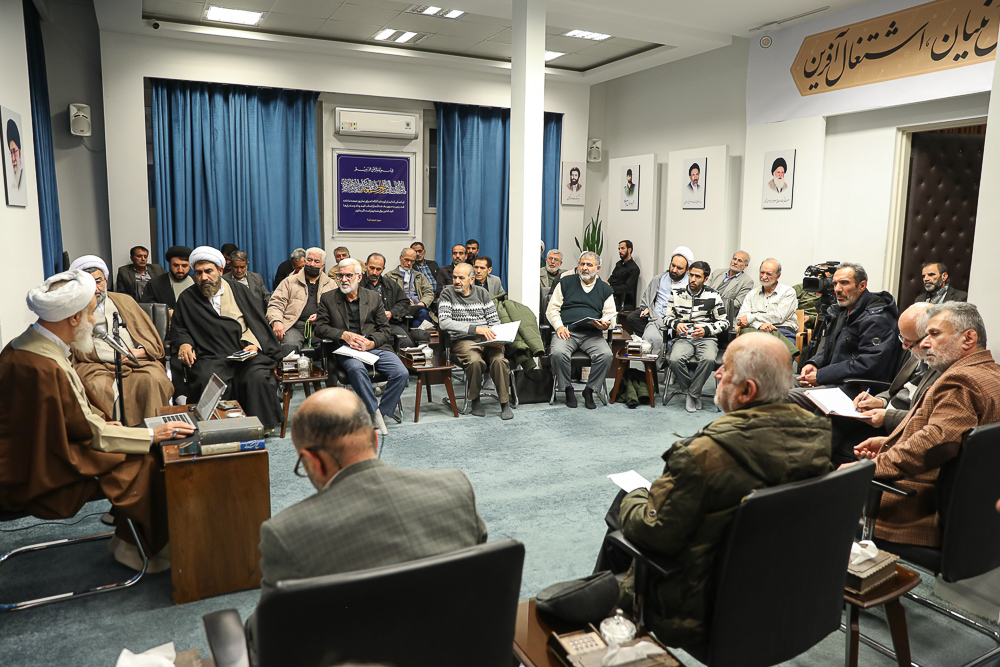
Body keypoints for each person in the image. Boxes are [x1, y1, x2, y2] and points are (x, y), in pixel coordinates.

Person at [603, 334, 832, 651]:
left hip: (700, 607)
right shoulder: (817, 435)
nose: (716, 373)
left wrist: (637, 495)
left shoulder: (702, 455)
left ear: (747, 391)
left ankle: (607, 618)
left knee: (624, 506)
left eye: (725, 368)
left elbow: (654, 533)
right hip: (782, 596)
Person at [248, 387, 487, 657]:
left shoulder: (286, 533)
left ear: (313, 462)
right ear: (374, 438)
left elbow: (266, 638)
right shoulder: (455, 488)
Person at [0, 270, 195, 573]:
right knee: (147, 461)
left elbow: (71, 418)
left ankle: (127, 539)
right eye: (91, 313)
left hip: (38, 452)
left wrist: (113, 427)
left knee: (138, 447)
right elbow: (90, 434)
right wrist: (151, 435)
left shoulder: (25, 344)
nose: (94, 321)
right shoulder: (44, 366)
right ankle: (134, 546)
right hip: (40, 467)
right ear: (73, 318)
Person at [849, 302, 1000, 548]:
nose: (926, 343)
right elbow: (956, 440)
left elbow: (934, 444)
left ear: (969, 338)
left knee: (819, 509)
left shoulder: (960, 380)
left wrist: (870, 468)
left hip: (915, 513)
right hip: (975, 518)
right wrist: (890, 442)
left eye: (935, 334)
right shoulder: (992, 374)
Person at [171, 246, 284, 431]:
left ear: (221, 271)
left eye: (208, 271)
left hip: (244, 353)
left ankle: (260, 426)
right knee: (206, 378)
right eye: (198, 273)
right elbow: (179, 328)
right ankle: (216, 428)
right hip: (211, 354)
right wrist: (184, 343)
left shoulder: (239, 290)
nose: (204, 277)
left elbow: (256, 323)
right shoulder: (187, 298)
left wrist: (253, 344)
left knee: (256, 377)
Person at [69, 256, 173, 426]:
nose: (96, 288)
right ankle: (113, 435)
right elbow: (75, 348)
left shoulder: (125, 301)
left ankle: (154, 432)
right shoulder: (74, 309)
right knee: (97, 386)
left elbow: (149, 338)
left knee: (154, 379)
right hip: (95, 365)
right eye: (89, 283)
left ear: (106, 281)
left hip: (135, 362)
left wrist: (140, 351)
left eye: (98, 281)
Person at [829, 303, 937, 464]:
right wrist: (880, 401)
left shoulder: (944, 366)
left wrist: (887, 417)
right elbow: (898, 388)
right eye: (902, 338)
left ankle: (815, 473)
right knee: (829, 415)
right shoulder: (919, 353)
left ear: (928, 337)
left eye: (908, 341)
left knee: (833, 426)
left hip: (900, 426)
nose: (904, 346)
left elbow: (928, 419)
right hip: (886, 411)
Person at [313, 259, 408, 436]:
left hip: (374, 347)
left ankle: (380, 413)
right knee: (356, 369)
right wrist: (343, 334)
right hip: (347, 350)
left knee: (401, 373)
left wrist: (372, 342)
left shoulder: (373, 297)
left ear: (359, 277)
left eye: (349, 275)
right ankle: (374, 412)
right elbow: (319, 328)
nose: (344, 279)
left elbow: (385, 329)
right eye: (341, 275)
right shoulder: (328, 298)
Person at [793, 263, 902, 401]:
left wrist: (821, 376)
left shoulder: (877, 319)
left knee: (785, 396)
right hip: (835, 380)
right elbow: (830, 347)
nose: (837, 289)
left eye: (844, 283)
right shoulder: (844, 311)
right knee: (778, 384)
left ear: (862, 286)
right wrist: (814, 364)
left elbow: (867, 365)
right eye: (835, 284)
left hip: (855, 390)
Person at [438, 263, 513, 420]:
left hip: (487, 338)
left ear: (471, 279)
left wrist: (498, 337)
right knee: (475, 361)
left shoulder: (482, 293)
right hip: (463, 340)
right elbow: (444, 322)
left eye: (461, 278)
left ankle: (504, 402)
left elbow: (494, 320)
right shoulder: (447, 293)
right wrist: (475, 329)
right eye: (454, 277)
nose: (456, 281)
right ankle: (475, 399)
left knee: (499, 360)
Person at [546, 251, 615, 409]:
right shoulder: (565, 282)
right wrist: (559, 326)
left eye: (589, 265)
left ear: (598, 268)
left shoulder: (605, 289)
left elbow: (611, 316)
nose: (585, 268)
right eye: (582, 264)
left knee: (606, 355)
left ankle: (589, 390)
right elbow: (552, 310)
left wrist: (605, 324)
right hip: (567, 332)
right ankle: (568, 389)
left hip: (592, 334)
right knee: (557, 353)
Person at [664, 261, 727, 412]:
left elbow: (724, 322)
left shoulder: (713, 295)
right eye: (691, 275)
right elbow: (667, 317)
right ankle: (692, 392)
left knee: (709, 359)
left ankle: (692, 393)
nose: (693, 279)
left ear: (705, 279)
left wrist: (706, 330)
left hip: (706, 337)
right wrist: (676, 324)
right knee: (675, 360)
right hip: (683, 337)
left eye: (697, 276)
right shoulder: (676, 293)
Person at [267, 247, 336, 357]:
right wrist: (276, 321)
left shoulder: (331, 284)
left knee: (328, 346)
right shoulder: (289, 281)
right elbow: (275, 304)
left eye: (316, 261)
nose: (312, 264)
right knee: (290, 345)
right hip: (293, 325)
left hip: (319, 326)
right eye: (309, 260)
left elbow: (336, 310)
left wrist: (321, 316)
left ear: (323, 266)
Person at [626, 246, 694, 354]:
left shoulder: (691, 285)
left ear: (687, 269)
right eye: (673, 265)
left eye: (679, 268)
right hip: (656, 319)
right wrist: (648, 308)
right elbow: (647, 298)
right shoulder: (659, 279)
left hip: (677, 322)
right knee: (650, 338)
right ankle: (653, 365)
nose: (674, 270)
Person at [734, 258, 799, 357]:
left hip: (782, 331)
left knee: (775, 356)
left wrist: (752, 317)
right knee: (748, 354)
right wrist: (759, 325)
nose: (764, 277)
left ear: (778, 276)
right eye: (762, 272)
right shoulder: (752, 294)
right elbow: (741, 318)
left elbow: (779, 317)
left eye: (769, 274)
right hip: (756, 331)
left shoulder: (788, 292)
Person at [361, 252, 414, 348]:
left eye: (378, 269)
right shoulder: (358, 285)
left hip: (387, 324)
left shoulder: (390, 285)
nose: (374, 272)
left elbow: (404, 302)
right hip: (365, 325)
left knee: (407, 342)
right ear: (366, 265)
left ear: (383, 269)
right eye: (372, 268)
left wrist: (392, 313)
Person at [387, 247, 434, 328]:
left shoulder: (419, 276)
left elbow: (429, 292)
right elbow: (387, 295)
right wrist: (404, 301)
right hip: (399, 308)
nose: (409, 263)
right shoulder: (389, 276)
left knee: (423, 313)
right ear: (400, 258)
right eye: (406, 260)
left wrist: (422, 303)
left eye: (412, 261)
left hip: (417, 307)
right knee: (413, 323)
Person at [705, 250, 753, 327]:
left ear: (745, 266)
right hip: (704, 312)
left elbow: (738, 303)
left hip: (724, 316)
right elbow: (704, 291)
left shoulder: (747, 281)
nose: (735, 262)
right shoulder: (717, 272)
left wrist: (714, 304)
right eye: (734, 259)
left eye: (739, 261)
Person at [141, 245, 193, 311]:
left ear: (190, 266)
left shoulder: (197, 282)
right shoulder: (155, 283)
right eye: (176, 265)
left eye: (184, 266)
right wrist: (166, 311)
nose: (180, 270)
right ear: (169, 265)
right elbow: (147, 307)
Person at [608, 240, 640, 311]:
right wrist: (607, 284)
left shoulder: (634, 268)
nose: (620, 251)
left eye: (622, 248)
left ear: (629, 250)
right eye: (619, 249)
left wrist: (611, 288)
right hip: (613, 298)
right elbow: (612, 278)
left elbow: (627, 288)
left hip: (624, 303)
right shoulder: (619, 264)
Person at [5, 118, 23, 192]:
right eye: (11, 153)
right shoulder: (13, 186)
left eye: (14, 151)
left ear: (20, 152)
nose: (13, 159)